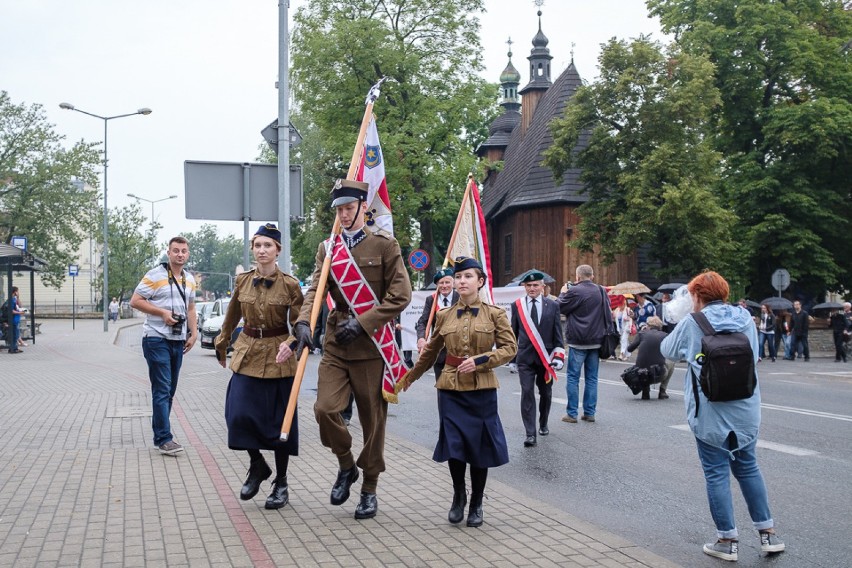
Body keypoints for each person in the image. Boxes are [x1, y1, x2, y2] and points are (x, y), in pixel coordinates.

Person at [292, 179, 412, 520]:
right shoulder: (328, 248)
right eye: (339, 210)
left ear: (363, 208)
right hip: (335, 343)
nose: (343, 215)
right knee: (325, 409)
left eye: (348, 208)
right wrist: (303, 321)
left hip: (371, 345)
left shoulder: (385, 246)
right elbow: (315, 288)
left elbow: (400, 297)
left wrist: (362, 323)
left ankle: (369, 489)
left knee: (373, 423)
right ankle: (347, 465)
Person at [661, 271, 785, 562]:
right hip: (745, 409)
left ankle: (727, 541)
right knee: (748, 468)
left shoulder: (692, 322)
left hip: (710, 413)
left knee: (716, 474)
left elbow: (667, 350)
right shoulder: (745, 317)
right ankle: (768, 535)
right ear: (725, 293)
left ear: (696, 296)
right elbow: (753, 356)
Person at [396, 256, 516, 527]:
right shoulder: (443, 314)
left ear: (480, 282)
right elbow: (431, 352)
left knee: (479, 447)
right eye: (459, 277)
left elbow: (510, 349)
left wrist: (482, 360)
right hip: (450, 388)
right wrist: (410, 377)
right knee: (455, 445)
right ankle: (458, 495)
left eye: (468, 277)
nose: (462, 281)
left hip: (481, 389)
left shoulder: (495, 314)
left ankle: (477, 502)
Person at [215, 224, 303, 509]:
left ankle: (281, 482)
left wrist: (290, 343)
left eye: (268, 245)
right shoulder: (242, 281)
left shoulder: (290, 284)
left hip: (279, 357)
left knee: (281, 424)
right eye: (258, 245)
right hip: (248, 352)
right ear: (253, 249)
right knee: (237, 413)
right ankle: (257, 464)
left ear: (278, 250)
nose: (262, 250)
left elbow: (301, 324)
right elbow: (232, 314)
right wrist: (222, 341)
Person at [129, 236, 198, 456]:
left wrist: (194, 333)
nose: (180, 254)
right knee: (162, 388)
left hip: (177, 339)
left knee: (169, 390)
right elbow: (135, 300)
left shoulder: (189, 279)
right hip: (155, 338)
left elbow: (191, 308)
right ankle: (163, 438)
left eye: (184, 251)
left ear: (187, 254)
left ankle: (161, 434)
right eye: (176, 250)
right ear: (168, 253)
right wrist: (162, 313)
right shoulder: (155, 275)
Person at [510, 271, 564, 447]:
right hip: (525, 358)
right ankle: (530, 433)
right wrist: (512, 358)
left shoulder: (553, 305)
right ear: (524, 287)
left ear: (542, 286)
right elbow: (514, 333)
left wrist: (558, 357)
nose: (532, 288)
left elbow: (558, 335)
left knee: (546, 394)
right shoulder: (517, 306)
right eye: (528, 286)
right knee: (527, 393)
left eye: (535, 285)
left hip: (545, 357)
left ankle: (543, 422)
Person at [558, 264, 612, 423]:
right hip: (596, 341)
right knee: (592, 378)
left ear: (577, 277)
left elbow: (560, 306)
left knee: (573, 377)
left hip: (578, 341)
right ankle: (589, 412)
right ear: (592, 276)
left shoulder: (574, 291)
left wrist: (563, 293)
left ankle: (572, 414)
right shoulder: (601, 290)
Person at [415, 267, 458, 377]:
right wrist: (421, 338)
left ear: (453, 283)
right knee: (442, 388)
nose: (444, 286)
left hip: (459, 351)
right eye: (441, 283)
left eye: (447, 282)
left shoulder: (461, 298)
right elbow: (422, 322)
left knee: (459, 390)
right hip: (439, 353)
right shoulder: (431, 300)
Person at [626, 316, 668, 400]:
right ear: (660, 327)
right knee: (671, 362)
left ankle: (645, 388)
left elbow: (629, 349)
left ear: (648, 326)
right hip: (658, 374)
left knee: (644, 365)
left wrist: (641, 332)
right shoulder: (665, 335)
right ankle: (662, 390)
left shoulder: (642, 334)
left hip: (640, 375)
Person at [6, 287, 24, 354]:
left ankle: (15, 348)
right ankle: (13, 349)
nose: (18, 293)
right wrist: (20, 313)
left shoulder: (15, 299)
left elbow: (20, 306)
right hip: (13, 320)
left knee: (16, 334)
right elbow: (11, 311)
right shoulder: (11, 300)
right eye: (17, 291)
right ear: (15, 292)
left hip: (16, 319)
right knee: (14, 334)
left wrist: (18, 298)